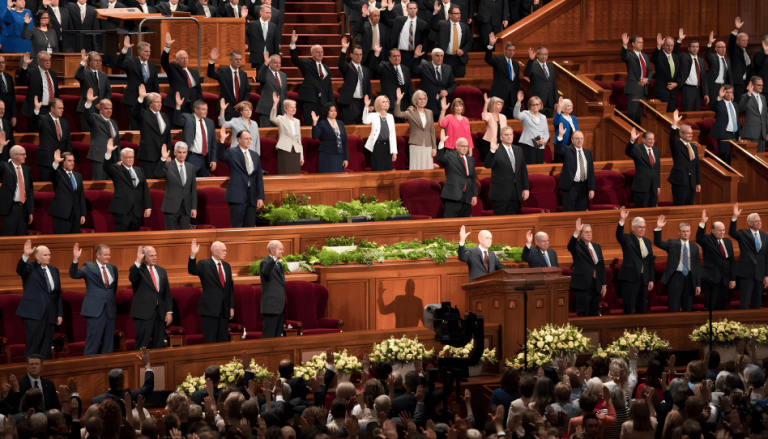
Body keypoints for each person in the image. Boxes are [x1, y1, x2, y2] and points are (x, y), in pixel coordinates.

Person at [16, 240, 62, 361]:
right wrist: (25, 255)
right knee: (34, 346)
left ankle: (44, 374)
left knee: (46, 348)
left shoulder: (54, 270)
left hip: (50, 313)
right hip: (33, 313)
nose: (48, 257)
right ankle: (31, 376)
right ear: (36, 256)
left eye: (49, 254)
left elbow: (58, 294)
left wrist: (59, 314)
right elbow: (20, 269)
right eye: (45, 255)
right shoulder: (30, 268)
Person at [70, 243, 118, 356]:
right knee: (93, 343)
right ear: (98, 255)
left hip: (110, 310)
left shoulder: (112, 268)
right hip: (95, 310)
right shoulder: (89, 266)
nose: (108, 257)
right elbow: (74, 274)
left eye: (109, 254)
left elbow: (113, 289)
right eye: (105, 255)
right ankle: (89, 370)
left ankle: (107, 370)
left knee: (108, 345)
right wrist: (76, 259)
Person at [188, 239, 235, 344]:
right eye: (223, 250)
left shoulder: (227, 266)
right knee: (210, 339)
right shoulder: (204, 264)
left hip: (224, 309)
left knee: (223, 339)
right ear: (215, 251)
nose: (226, 253)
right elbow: (192, 270)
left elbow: (229, 288)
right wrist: (193, 255)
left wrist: (231, 307)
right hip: (210, 308)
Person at [653, 217, 702, 312]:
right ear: (679, 232)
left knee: (688, 307)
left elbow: (697, 267)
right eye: (683, 231)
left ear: (690, 232)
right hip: (675, 277)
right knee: (673, 306)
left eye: (687, 231)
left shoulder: (694, 247)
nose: (686, 233)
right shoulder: (672, 243)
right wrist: (659, 228)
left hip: (689, 279)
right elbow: (658, 243)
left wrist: (698, 284)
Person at [218, 129, 265, 227]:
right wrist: (222, 141)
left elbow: (258, 178)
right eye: (246, 138)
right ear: (239, 140)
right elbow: (220, 156)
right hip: (237, 196)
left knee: (250, 226)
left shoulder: (255, 155)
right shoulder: (232, 152)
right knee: (237, 226)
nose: (249, 141)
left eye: (250, 139)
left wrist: (260, 197)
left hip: (251, 197)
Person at [129, 246, 172, 350]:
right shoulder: (138, 269)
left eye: (155, 255)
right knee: (143, 345)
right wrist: (138, 261)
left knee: (159, 345)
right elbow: (132, 278)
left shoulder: (162, 271)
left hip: (160, 313)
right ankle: (140, 366)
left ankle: (158, 365)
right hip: (144, 313)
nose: (154, 258)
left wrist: (169, 312)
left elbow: (167, 293)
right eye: (151, 256)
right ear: (145, 258)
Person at [103, 142, 152, 232]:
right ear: (121, 158)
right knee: (122, 238)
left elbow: (145, 189)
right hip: (122, 210)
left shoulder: (139, 170)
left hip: (136, 210)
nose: (130, 159)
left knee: (134, 238)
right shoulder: (116, 169)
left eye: (132, 157)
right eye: (128, 157)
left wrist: (148, 207)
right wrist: (108, 152)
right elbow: (106, 167)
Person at [290, 32, 335, 126]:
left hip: (323, 102)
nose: (320, 54)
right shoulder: (307, 63)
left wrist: (331, 104)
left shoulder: (326, 68)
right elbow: (295, 60)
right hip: (310, 100)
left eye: (321, 52)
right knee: (310, 124)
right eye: (317, 52)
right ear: (312, 53)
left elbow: (329, 87)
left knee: (323, 125)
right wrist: (293, 44)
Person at [616, 207, 655, 314]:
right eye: (640, 227)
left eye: (644, 227)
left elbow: (650, 262)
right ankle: (627, 330)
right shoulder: (627, 238)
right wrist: (622, 220)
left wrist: (651, 279)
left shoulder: (647, 241)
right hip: (630, 278)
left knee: (642, 307)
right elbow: (618, 235)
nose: (642, 229)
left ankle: (640, 329)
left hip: (644, 279)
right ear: (633, 228)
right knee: (629, 307)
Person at [729, 203, 768, 309]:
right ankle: (742, 324)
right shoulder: (743, 233)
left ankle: (756, 325)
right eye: (756, 221)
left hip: (760, 273)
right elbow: (732, 233)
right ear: (750, 223)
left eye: (760, 220)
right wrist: (734, 217)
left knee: (757, 302)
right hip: (746, 273)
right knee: (745, 301)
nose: (759, 222)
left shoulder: (765, 236)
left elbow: (766, 257)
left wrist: (766, 275)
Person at [115, 37, 159, 130]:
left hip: (148, 100)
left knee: (148, 124)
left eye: (149, 51)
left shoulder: (152, 66)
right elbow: (119, 64)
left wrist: (156, 98)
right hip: (133, 99)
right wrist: (125, 49)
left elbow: (155, 84)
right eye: (146, 51)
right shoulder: (131, 62)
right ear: (139, 51)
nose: (148, 54)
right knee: (134, 124)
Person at [696, 209, 735, 311]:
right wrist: (702, 223)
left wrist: (732, 278)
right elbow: (698, 238)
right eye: (719, 230)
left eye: (723, 230)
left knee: (722, 306)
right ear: (713, 231)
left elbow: (731, 262)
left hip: (724, 279)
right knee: (710, 307)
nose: (722, 232)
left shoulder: (728, 242)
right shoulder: (707, 239)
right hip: (712, 279)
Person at [484, 126, 529, 215]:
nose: (509, 136)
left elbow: (523, 170)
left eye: (510, 134)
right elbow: (488, 165)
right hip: (500, 194)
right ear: (501, 137)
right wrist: (492, 151)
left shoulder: (518, 150)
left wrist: (526, 188)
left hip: (516, 193)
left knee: (514, 222)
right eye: (506, 135)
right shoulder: (496, 149)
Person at [568, 219, 607, 316]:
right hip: (583, 284)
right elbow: (570, 246)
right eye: (586, 232)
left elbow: (601, 266)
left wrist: (604, 284)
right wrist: (576, 232)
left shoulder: (597, 246)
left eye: (590, 232)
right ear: (581, 234)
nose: (589, 234)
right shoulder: (577, 246)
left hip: (596, 284)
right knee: (583, 311)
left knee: (594, 311)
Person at [173, 93, 218, 177]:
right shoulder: (188, 118)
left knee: (204, 184)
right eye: (203, 109)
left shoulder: (210, 122)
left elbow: (213, 143)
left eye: (207, 110)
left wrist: (213, 159)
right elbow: (177, 121)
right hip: (192, 157)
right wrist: (178, 106)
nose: (206, 112)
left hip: (206, 160)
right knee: (190, 183)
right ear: (196, 110)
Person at [155, 143, 197, 230]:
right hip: (171, 206)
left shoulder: (191, 167)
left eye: (184, 152)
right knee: (171, 236)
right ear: (175, 153)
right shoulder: (168, 165)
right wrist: (163, 158)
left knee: (184, 236)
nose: (182, 155)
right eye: (179, 152)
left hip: (186, 207)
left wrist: (194, 207)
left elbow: (193, 189)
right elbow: (157, 174)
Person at [132, 87, 172, 179]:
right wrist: (140, 98)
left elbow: (168, 138)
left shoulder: (165, 117)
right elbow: (134, 113)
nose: (159, 104)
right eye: (157, 102)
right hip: (148, 156)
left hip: (162, 157)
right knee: (148, 182)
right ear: (150, 103)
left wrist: (169, 155)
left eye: (160, 102)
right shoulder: (144, 114)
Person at [162, 33, 202, 119]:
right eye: (182, 58)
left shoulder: (194, 72)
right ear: (177, 60)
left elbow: (198, 91)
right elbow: (164, 63)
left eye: (186, 58)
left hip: (192, 107)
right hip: (177, 105)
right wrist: (167, 46)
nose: (185, 60)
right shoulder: (173, 69)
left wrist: (201, 105)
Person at [436, 134, 476, 218]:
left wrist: (474, 195)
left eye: (466, 146)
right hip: (453, 196)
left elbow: (472, 178)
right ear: (456, 146)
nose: (465, 148)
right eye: (462, 146)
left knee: (465, 224)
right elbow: (440, 158)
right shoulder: (450, 156)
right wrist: (442, 142)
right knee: (450, 224)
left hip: (467, 197)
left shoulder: (470, 160)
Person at [395, 89, 436, 170]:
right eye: (420, 99)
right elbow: (397, 114)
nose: (422, 101)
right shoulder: (410, 112)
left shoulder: (429, 112)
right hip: (416, 144)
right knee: (416, 167)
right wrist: (398, 100)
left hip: (428, 144)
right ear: (415, 100)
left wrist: (434, 147)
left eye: (424, 99)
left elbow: (432, 131)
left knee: (427, 168)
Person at [83, 92, 121, 181]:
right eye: (106, 108)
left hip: (113, 160)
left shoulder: (114, 123)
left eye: (110, 108)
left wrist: (119, 159)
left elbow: (117, 142)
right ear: (100, 109)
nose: (109, 111)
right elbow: (87, 116)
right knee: (99, 183)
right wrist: (88, 102)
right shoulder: (94, 118)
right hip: (99, 158)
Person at [33, 97, 72, 182]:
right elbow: (34, 124)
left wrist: (68, 159)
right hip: (46, 162)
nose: (62, 110)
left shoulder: (65, 122)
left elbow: (67, 143)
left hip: (61, 163)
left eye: (63, 108)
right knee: (46, 189)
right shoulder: (43, 119)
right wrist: (36, 109)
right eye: (59, 108)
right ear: (52, 108)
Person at [557, 127, 595, 212]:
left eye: (581, 138)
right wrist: (560, 136)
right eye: (577, 138)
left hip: (584, 187)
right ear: (572, 139)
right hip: (571, 187)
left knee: (581, 213)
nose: (579, 140)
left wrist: (592, 188)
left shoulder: (588, 153)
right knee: (569, 213)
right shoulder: (567, 150)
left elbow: (591, 172)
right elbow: (558, 150)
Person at [412, 47, 456, 121]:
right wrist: (416, 57)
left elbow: (453, 84)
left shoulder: (448, 68)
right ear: (432, 56)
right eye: (437, 56)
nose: (439, 58)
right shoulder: (425, 66)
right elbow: (414, 69)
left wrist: (447, 91)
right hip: (428, 103)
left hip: (442, 104)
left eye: (441, 56)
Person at [667, 111, 701, 206]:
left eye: (691, 133)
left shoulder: (694, 147)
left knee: (689, 207)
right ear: (681, 134)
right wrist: (674, 123)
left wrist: (698, 182)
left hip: (691, 183)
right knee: (679, 206)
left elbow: (696, 166)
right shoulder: (676, 144)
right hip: (680, 181)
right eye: (688, 133)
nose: (690, 135)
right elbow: (671, 138)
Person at [207, 48, 250, 122]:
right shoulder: (222, 71)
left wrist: (243, 103)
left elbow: (247, 90)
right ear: (231, 60)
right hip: (227, 109)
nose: (239, 61)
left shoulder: (243, 74)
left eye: (240, 59)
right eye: (236, 59)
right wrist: (212, 61)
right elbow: (211, 74)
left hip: (241, 110)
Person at [49, 150, 86, 234]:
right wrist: (55, 162)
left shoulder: (78, 176)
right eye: (69, 161)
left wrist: (83, 214)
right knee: (62, 241)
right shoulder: (58, 174)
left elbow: (81, 195)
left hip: (76, 214)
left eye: (73, 161)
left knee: (75, 240)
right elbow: (51, 174)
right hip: (62, 214)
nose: (72, 163)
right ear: (63, 162)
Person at [429, 4, 471, 78]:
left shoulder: (465, 27)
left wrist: (463, 50)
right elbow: (432, 25)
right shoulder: (442, 24)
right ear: (450, 15)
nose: (459, 15)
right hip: (446, 59)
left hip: (459, 60)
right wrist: (435, 13)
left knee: (459, 83)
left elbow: (469, 43)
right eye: (456, 13)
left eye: (459, 13)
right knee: (445, 81)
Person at [381, 0, 427, 67]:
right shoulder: (399, 20)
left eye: (414, 8)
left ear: (417, 9)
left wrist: (423, 57)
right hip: (400, 54)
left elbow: (424, 42)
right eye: (410, 8)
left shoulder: (423, 24)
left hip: (415, 54)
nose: (412, 10)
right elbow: (386, 21)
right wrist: (384, 9)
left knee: (413, 75)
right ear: (407, 10)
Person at [0, 144, 34, 236]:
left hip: (23, 209)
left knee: (22, 236)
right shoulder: (5, 166)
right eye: (23, 154)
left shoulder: (27, 169)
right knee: (9, 237)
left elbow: (30, 191)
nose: (25, 156)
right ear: (15, 155)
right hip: (10, 209)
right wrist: (0, 149)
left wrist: (31, 211)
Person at [17, 52, 58, 126]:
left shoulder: (53, 74)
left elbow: (56, 93)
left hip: (51, 110)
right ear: (39, 62)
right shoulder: (32, 72)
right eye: (45, 60)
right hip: (38, 110)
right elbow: (22, 80)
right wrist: (25, 65)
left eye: (49, 60)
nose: (48, 62)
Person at [338, 38, 373, 126]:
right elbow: (340, 64)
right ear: (351, 55)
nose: (359, 56)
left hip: (363, 103)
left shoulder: (365, 70)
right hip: (350, 103)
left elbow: (368, 87)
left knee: (363, 126)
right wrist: (344, 49)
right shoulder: (347, 67)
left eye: (360, 54)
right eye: (356, 54)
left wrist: (370, 103)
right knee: (350, 128)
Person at [75, 50, 112, 132]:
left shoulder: (103, 75)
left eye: (100, 61)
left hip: (101, 110)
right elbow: (77, 75)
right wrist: (83, 62)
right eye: (95, 60)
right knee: (89, 135)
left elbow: (108, 91)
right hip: (88, 108)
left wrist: (104, 103)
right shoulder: (84, 73)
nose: (98, 63)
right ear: (89, 61)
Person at [621, 33, 652, 125]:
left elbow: (650, 71)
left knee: (641, 116)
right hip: (633, 89)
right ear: (633, 44)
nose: (641, 44)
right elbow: (624, 56)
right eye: (639, 42)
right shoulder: (629, 55)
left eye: (642, 42)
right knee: (632, 115)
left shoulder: (645, 56)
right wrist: (624, 45)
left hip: (643, 90)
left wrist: (647, 80)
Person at [625, 128, 660, 208]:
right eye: (649, 139)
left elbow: (657, 169)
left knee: (652, 211)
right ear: (643, 140)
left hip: (653, 187)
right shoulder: (637, 148)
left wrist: (658, 185)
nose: (652, 141)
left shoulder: (656, 149)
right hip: (641, 187)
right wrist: (632, 140)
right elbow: (628, 152)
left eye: (653, 139)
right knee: (641, 212)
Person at [270, 92, 304, 174]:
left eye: (294, 107)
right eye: (291, 107)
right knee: (285, 171)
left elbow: (298, 139)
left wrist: (301, 156)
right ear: (285, 109)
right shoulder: (280, 119)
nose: (293, 109)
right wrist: (275, 104)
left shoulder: (297, 121)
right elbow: (272, 118)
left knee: (295, 173)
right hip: (285, 148)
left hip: (296, 150)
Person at [374, 46, 414, 116]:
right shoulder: (384, 66)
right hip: (388, 106)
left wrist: (411, 104)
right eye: (394, 56)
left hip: (402, 106)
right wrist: (377, 53)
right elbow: (374, 66)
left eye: (398, 56)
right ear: (389, 58)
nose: (397, 58)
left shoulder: (406, 69)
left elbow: (409, 88)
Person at [362, 95, 398, 171]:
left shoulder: (390, 116)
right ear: (378, 103)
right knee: (377, 168)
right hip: (377, 146)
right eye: (383, 102)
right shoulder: (373, 115)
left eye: (387, 102)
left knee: (387, 168)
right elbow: (365, 121)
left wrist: (394, 152)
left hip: (388, 146)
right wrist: (366, 106)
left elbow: (392, 135)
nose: (386, 103)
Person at [513, 91, 549, 165]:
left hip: (539, 146)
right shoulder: (525, 114)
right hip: (527, 145)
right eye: (533, 104)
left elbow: (546, 133)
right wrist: (518, 102)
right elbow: (516, 115)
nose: (535, 106)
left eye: (537, 104)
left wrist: (544, 140)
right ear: (529, 105)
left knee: (538, 167)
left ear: (540, 105)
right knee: (529, 167)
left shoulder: (543, 117)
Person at [259, 240, 286, 339]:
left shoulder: (279, 265)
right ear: (272, 251)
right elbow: (265, 271)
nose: (282, 251)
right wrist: (273, 259)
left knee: (277, 336)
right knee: (268, 335)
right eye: (280, 249)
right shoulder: (265, 263)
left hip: (280, 306)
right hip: (271, 306)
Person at [312, 105, 349, 173]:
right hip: (327, 155)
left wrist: (345, 158)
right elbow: (315, 136)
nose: (333, 112)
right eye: (331, 111)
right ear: (327, 112)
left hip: (339, 156)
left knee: (338, 179)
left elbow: (344, 141)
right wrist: (315, 123)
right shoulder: (322, 123)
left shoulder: (340, 123)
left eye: (335, 110)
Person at [524, 46, 557, 116]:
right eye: (541, 54)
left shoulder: (551, 66)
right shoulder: (532, 65)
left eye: (545, 54)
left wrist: (556, 101)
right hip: (537, 102)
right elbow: (526, 73)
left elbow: (554, 84)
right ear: (537, 55)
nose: (543, 56)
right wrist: (530, 60)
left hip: (550, 102)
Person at [652, 34, 682, 113]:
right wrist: (658, 46)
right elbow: (653, 59)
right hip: (662, 91)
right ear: (663, 46)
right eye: (668, 45)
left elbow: (680, 73)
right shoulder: (659, 55)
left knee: (670, 116)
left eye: (672, 45)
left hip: (672, 93)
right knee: (661, 115)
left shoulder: (676, 57)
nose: (670, 48)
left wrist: (676, 84)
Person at [679, 38, 710, 111]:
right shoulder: (684, 58)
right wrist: (679, 40)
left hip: (698, 90)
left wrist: (706, 93)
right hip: (687, 89)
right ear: (689, 48)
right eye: (693, 46)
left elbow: (704, 78)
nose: (695, 48)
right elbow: (676, 52)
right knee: (688, 111)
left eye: (697, 47)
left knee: (696, 112)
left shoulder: (701, 61)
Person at [710, 85, 739, 164]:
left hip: (733, 135)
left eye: (730, 92)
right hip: (724, 134)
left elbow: (737, 120)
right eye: (727, 92)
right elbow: (712, 108)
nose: (729, 94)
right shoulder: (720, 103)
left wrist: (739, 135)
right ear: (723, 93)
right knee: (724, 158)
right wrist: (719, 97)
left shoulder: (735, 105)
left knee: (733, 159)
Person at [738, 77, 768, 152]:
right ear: (752, 85)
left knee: (761, 158)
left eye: (762, 85)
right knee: (751, 158)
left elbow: (765, 116)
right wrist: (749, 93)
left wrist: (766, 132)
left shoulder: (763, 98)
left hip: (762, 134)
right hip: (751, 133)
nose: (761, 87)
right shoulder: (746, 96)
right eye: (759, 85)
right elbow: (741, 107)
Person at [245, 5, 279, 71]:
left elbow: (275, 43)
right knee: (257, 78)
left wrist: (276, 58)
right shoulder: (252, 25)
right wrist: (243, 17)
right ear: (261, 12)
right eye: (267, 13)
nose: (269, 15)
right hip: (256, 57)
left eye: (270, 13)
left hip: (270, 58)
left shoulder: (274, 26)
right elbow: (243, 31)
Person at [705, 32, 732, 111]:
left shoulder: (728, 61)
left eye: (724, 47)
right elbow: (707, 56)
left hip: (725, 87)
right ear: (716, 49)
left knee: (724, 108)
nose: (723, 49)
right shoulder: (713, 58)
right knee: (714, 108)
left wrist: (731, 90)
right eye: (721, 47)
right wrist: (709, 43)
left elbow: (730, 78)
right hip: (714, 87)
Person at [729, 17, 752, 102]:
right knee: (738, 105)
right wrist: (736, 29)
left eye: (746, 40)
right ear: (737, 41)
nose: (745, 42)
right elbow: (731, 43)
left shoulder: (746, 53)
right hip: (738, 83)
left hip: (746, 83)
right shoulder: (734, 50)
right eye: (743, 40)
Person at [479, 94, 507, 162]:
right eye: (498, 104)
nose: (500, 106)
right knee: (491, 161)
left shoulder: (503, 117)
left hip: (502, 142)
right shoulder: (489, 115)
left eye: (501, 104)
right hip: (491, 142)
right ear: (493, 105)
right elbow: (484, 117)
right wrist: (486, 103)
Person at [552, 96, 578, 163]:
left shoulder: (574, 118)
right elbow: (555, 121)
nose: (570, 107)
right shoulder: (559, 117)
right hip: (562, 145)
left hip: (573, 145)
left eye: (571, 106)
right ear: (563, 108)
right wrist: (559, 108)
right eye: (568, 106)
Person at [0, 57, 17, 136]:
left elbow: (13, 98)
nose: (1, 64)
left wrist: (14, 115)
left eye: (3, 62)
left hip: (8, 114)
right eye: (0, 62)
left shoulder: (9, 77)